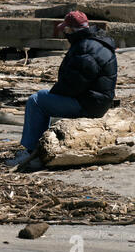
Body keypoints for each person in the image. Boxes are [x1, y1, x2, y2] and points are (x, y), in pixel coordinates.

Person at [6, 11, 118, 167]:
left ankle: (32, 154)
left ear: (72, 30)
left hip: (89, 104)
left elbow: (74, 84)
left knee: (36, 101)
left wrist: (53, 96)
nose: (64, 33)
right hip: (97, 101)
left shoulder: (85, 47)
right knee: (42, 95)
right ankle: (37, 147)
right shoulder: (96, 41)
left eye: (66, 29)